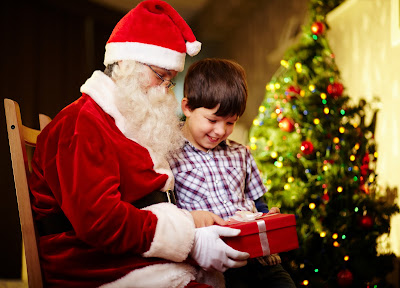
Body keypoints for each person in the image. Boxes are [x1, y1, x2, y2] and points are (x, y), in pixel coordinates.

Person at [29, 2, 250, 287]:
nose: (164, 90)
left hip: (134, 257)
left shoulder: (129, 121)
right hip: (95, 267)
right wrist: (190, 241)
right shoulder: (81, 123)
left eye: (170, 81)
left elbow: (145, 201)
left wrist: (192, 221)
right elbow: (101, 222)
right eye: (160, 75)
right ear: (126, 64)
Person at [168, 58, 296, 288]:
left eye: (230, 122)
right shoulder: (169, 156)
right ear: (187, 107)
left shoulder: (240, 154)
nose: (220, 131)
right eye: (212, 120)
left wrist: (268, 218)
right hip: (215, 265)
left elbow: (260, 203)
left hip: (260, 260)